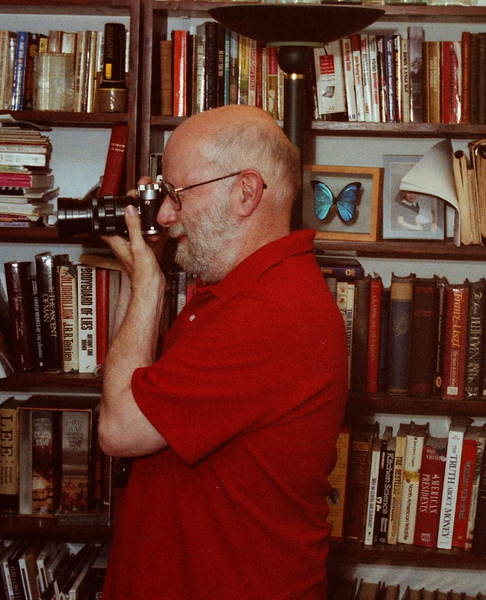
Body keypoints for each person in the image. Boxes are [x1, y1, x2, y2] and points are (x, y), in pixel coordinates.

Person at [97, 104, 349, 600]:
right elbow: (133, 390)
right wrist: (138, 275)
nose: (165, 215)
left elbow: (120, 429)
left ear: (246, 192)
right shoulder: (236, 290)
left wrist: (148, 283)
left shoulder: (271, 312)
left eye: (177, 194)